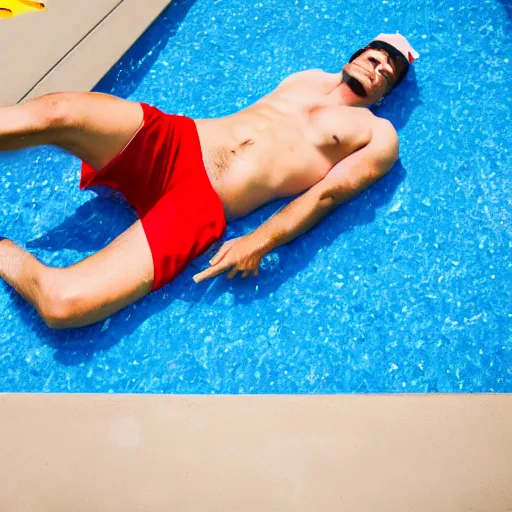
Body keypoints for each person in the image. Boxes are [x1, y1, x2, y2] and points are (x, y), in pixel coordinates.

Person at [0, 33, 419, 329]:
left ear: (387, 92)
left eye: (390, 71)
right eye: (375, 55)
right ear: (354, 56)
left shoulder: (376, 135)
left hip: (200, 204)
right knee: (58, 113)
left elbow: (328, 194)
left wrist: (261, 240)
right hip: (175, 140)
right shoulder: (306, 78)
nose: (379, 67)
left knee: (64, 304)